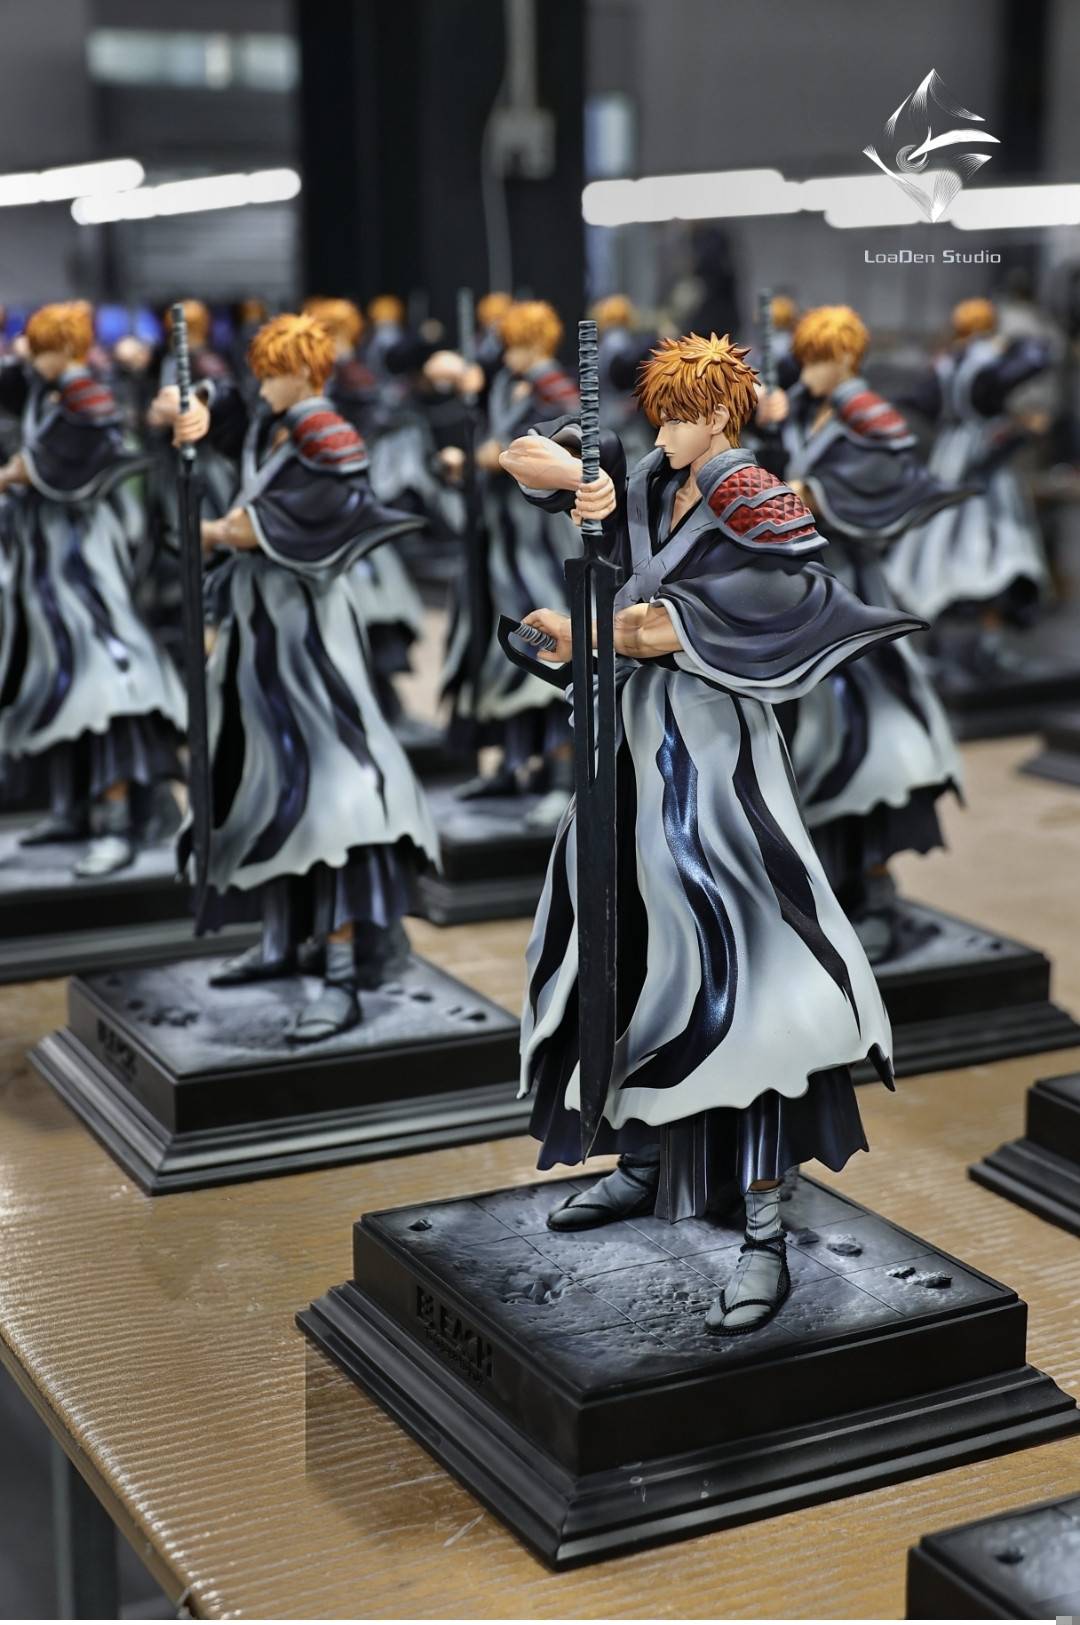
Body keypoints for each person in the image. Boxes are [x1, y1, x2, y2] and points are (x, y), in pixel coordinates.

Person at [498, 331, 917, 1335]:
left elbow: (714, 617)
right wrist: (575, 479)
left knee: (746, 974)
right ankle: (646, 1157)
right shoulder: (648, 477)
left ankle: (764, 1226)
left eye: (680, 419)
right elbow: (520, 452)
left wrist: (594, 627)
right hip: (633, 750)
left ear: (721, 414)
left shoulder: (754, 496)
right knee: (627, 948)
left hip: (719, 762)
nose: (664, 434)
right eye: (659, 417)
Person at [155, 312, 438, 1042]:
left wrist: (218, 531)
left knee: (331, 798)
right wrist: (192, 407)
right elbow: (220, 411)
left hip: (308, 636)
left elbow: (309, 515)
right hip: (258, 633)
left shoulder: (327, 433)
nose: (261, 386)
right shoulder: (273, 424)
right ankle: (280, 940)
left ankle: (341, 971)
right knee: (263, 785)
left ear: (303, 373)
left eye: (272, 375)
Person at [756, 305, 963, 962]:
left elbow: (887, 472)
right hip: (809, 593)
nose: (809, 371)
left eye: (819, 361)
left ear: (845, 358)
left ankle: (872, 891)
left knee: (868, 742)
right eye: (806, 360)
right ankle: (825, 888)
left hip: (854, 594)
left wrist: (813, 491)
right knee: (812, 744)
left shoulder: (863, 409)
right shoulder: (810, 408)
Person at [0, 301, 186, 876]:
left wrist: (14, 473)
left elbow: (51, 461)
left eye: (42, 348)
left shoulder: (87, 397)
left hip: (81, 555)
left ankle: (118, 821)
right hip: (47, 559)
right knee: (58, 686)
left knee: (103, 683)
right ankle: (73, 809)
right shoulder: (49, 388)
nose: (33, 358)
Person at [439, 300, 581, 828]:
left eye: (518, 345)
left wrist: (488, 455)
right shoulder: (509, 385)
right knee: (506, 647)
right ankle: (515, 763)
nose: (510, 354)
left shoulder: (554, 389)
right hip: (504, 537)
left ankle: (563, 776)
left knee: (549, 647)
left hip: (539, 541)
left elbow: (552, 448)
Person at [884, 296, 1053, 677]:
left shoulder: (948, 364)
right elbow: (1038, 356)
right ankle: (968, 646)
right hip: (977, 468)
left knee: (940, 554)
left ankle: (967, 645)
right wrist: (1007, 345)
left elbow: (918, 401)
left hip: (952, 457)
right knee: (990, 554)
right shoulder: (984, 363)